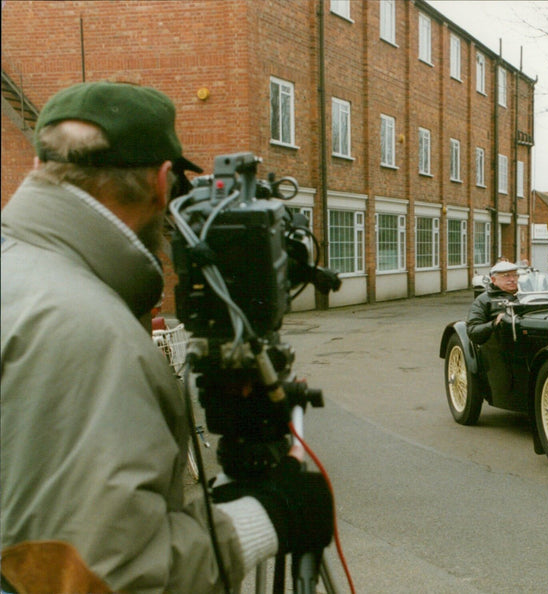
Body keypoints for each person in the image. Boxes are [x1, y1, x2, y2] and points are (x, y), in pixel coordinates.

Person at [1, 82, 332, 593]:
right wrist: (267, 519)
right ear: (161, 183)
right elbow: (108, 577)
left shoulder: (18, 273)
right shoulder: (88, 333)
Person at [467, 260, 519, 345]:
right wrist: (495, 323)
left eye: (515, 275)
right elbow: (473, 331)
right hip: (500, 345)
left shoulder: (527, 296)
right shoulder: (483, 300)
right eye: (506, 276)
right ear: (493, 279)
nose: (512, 279)